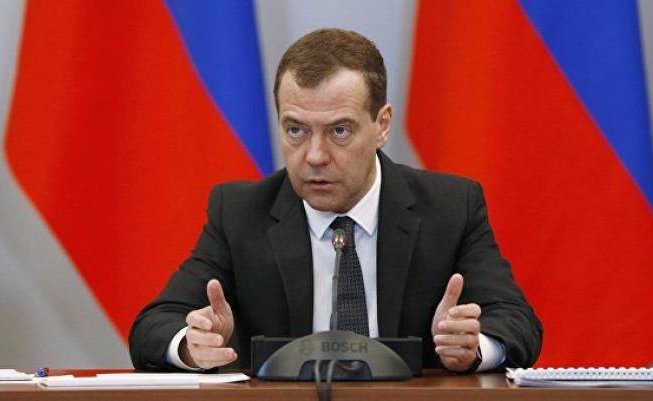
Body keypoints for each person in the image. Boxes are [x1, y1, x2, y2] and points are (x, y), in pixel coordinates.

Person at [129, 28, 542, 373]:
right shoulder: (240, 213)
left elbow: (518, 322)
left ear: (381, 126)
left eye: (339, 131)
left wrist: (474, 347)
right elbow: (153, 325)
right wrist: (192, 345)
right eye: (296, 130)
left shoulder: (450, 207)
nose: (315, 156)